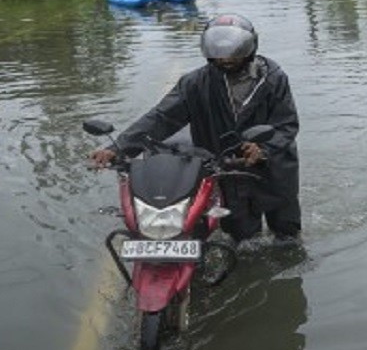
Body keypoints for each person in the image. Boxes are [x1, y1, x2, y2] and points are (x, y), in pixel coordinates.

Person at [89, 14, 301, 243]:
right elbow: (160, 118)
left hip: (274, 167)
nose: (226, 59)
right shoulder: (195, 84)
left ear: (249, 48)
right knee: (242, 237)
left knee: (287, 234)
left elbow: (286, 124)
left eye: (234, 54)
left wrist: (263, 148)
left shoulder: (272, 79)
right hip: (226, 168)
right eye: (219, 55)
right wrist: (119, 147)